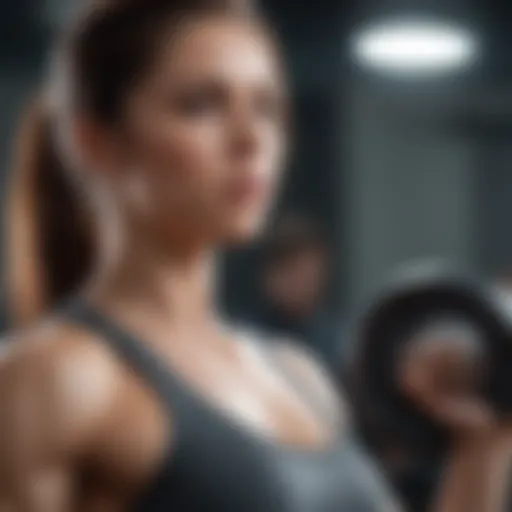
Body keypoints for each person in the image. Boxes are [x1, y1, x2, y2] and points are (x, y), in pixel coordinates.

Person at [0, 0, 511, 510]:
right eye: (200, 105)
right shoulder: (57, 379)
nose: (251, 140)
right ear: (95, 142)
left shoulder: (297, 376)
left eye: (266, 107)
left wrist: (483, 445)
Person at [242, 214, 343, 374]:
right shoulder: (246, 341)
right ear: (268, 276)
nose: (301, 282)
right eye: (292, 271)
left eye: (309, 273)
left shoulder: (336, 342)